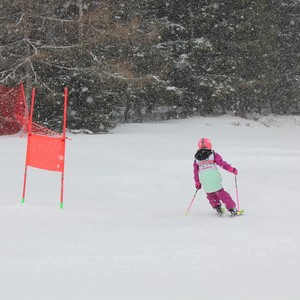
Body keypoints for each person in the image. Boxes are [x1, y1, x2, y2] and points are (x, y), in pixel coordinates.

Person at [193, 138, 238, 215]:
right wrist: (232, 169)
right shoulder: (213, 154)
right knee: (221, 193)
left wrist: (197, 182)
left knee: (210, 193)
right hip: (213, 176)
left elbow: (195, 171)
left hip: (203, 178)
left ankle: (217, 207)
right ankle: (232, 208)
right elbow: (222, 164)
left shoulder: (196, 159)